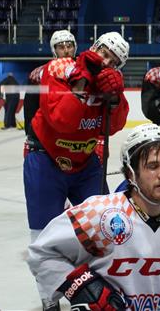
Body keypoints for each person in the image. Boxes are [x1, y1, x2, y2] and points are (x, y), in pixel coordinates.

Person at [27, 124, 160, 311]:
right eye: (152, 166)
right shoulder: (100, 213)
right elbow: (41, 253)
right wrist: (80, 287)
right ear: (130, 173)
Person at [24, 31, 130, 246]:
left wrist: (115, 98)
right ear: (94, 47)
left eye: (113, 61)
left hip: (85, 163)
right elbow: (61, 120)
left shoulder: (107, 81)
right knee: (45, 238)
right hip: (47, 159)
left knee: (105, 226)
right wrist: (80, 82)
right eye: (104, 53)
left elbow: (113, 127)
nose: (106, 61)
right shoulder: (58, 68)